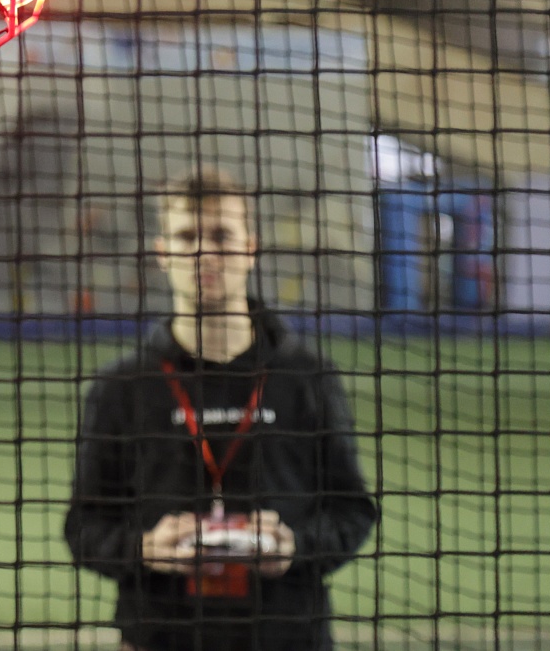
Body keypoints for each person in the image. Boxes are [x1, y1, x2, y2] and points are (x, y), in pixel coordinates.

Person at [64, 169, 376, 651]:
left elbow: (352, 511)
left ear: (250, 248)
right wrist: (145, 548)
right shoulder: (121, 388)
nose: (204, 253)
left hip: (287, 636)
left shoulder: (307, 377)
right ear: (162, 253)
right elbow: (83, 527)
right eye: (187, 236)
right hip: (161, 636)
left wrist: (294, 545)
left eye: (221, 236)